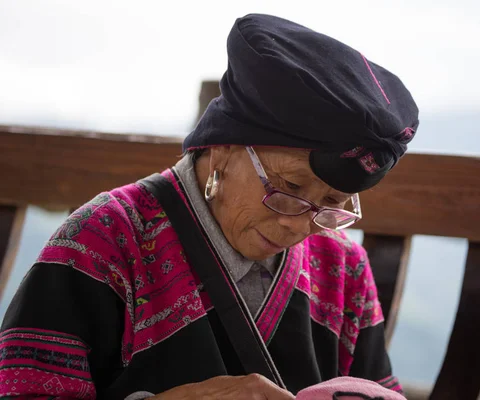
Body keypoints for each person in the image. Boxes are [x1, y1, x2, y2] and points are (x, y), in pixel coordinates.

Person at [0, 13, 419, 400]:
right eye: (290, 185)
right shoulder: (102, 242)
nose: (301, 225)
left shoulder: (341, 265)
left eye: (331, 203)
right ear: (223, 146)